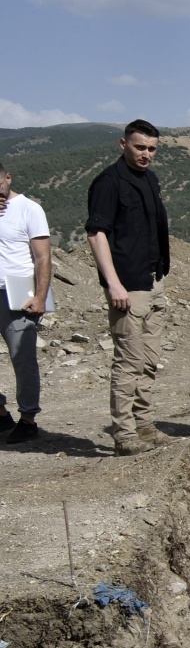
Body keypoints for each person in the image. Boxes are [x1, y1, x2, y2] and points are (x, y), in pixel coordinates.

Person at [86, 119, 171, 454]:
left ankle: (144, 425)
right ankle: (124, 435)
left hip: (153, 280)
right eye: (139, 147)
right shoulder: (109, 182)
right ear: (123, 145)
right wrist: (113, 284)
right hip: (127, 285)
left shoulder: (150, 179)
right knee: (128, 362)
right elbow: (96, 234)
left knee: (149, 361)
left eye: (151, 149)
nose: (146, 154)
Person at [0, 158, 51, 445]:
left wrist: (41, 296)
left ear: (8, 178)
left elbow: (43, 256)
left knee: (23, 359)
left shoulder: (30, 209)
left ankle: (28, 419)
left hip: (17, 293)